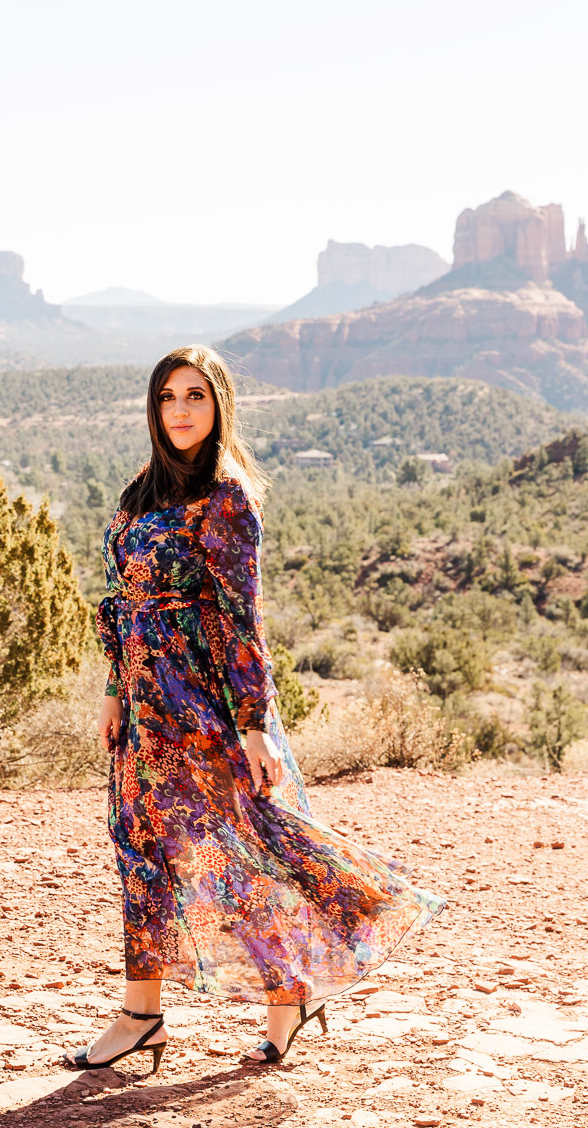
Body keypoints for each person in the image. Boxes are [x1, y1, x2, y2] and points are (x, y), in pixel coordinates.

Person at [63, 345, 445, 1072]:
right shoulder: (140, 491)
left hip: (198, 704)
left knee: (240, 850)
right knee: (137, 846)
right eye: (168, 396)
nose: (179, 410)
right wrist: (114, 689)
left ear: (219, 407)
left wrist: (253, 726)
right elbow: (118, 602)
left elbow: (242, 620)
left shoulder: (227, 498)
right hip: (142, 709)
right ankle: (140, 1016)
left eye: (195, 396)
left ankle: (292, 985)